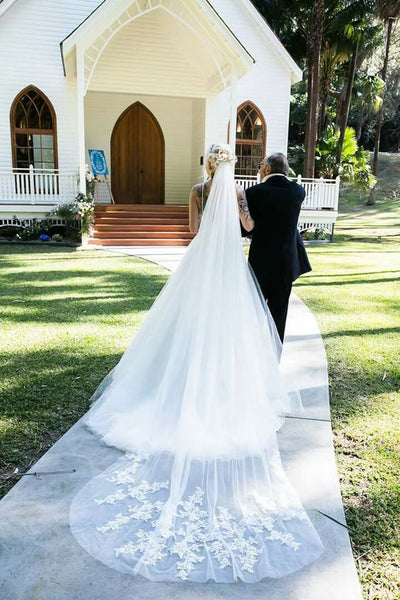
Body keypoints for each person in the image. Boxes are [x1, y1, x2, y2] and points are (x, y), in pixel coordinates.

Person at [70, 144, 323, 583]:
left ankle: (181, 378)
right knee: (231, 328)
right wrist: (238, 224)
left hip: (201, 262)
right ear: (229, 166)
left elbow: (192, 229)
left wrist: (208, 240)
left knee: (185, 324)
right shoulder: (243, 197)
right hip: (230, 268)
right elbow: (246, 228)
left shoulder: (196, 190)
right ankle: (222, 383)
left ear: (207, 165)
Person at [245, 153, 311, 343]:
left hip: (260, 261)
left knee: (255, 308)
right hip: (286, 262)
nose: (258, 169)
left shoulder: (254, 192)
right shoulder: (298, 191)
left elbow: (245, 228)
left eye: (260, 165)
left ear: (267, 169)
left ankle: (254, 348)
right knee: (279, 311)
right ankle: (275, 351)